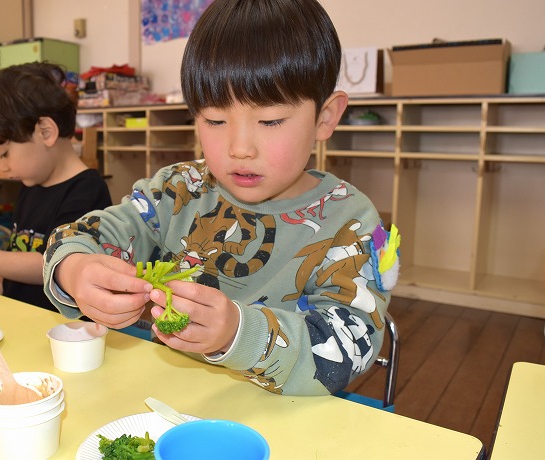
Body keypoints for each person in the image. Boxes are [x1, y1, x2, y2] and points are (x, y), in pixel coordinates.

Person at [42, 0, 400, 396]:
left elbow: (351, 346)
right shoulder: (178, 189)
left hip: (281, 414)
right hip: (167, 401)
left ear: (325, 117)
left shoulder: (351, 223)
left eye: (270, 120)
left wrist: (238, 333)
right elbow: (84, 234)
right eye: (215, 120)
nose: (239, 148)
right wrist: (74, 270)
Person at [0, 62, 112, 312]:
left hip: (60, 327)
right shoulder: (32, 182)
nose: (1, 165)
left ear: (45, 132)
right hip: (21, 317)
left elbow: (51, 265)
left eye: (4, 153)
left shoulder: (87, 191)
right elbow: (16, 249)